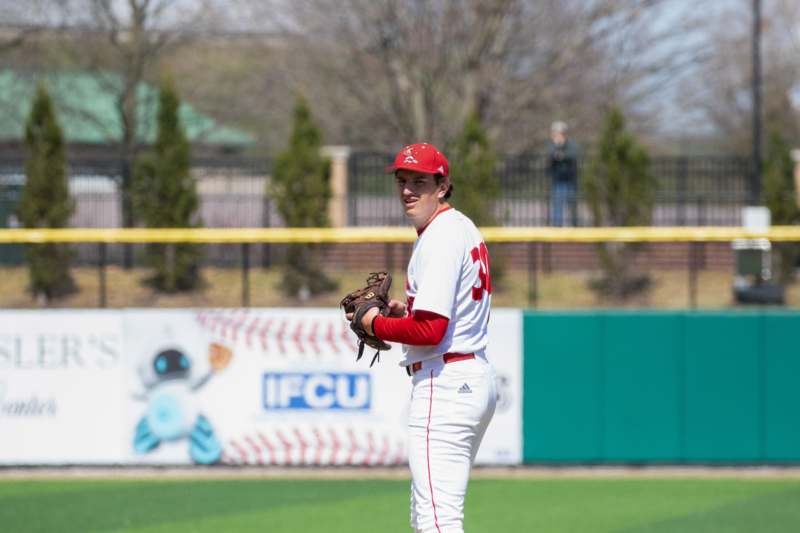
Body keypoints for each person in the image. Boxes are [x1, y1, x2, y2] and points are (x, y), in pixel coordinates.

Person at [346, 142, 497, 533]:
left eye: (419, 181)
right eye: (402, 181)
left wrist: (376, 323)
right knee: (427, 514)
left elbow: (431, 331)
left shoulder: (441, 237)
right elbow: (430, 319)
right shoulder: (460, 227)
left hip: (445, 383)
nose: (408, 190)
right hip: (467, 375)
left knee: (437, 521)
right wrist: (401, 316)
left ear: (442, 186)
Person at [547, 120, 579, 226]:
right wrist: (557, 147)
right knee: (557, 203)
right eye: (554, 132)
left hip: (570, 179)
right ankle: (557, 226)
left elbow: (573, 154)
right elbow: (551, 154)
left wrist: (562, 153)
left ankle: (575, 225)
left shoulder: (571, 144)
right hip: (557, 179)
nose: (555, 134)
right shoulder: (552, 144)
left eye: (557, 132)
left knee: (572, 203)